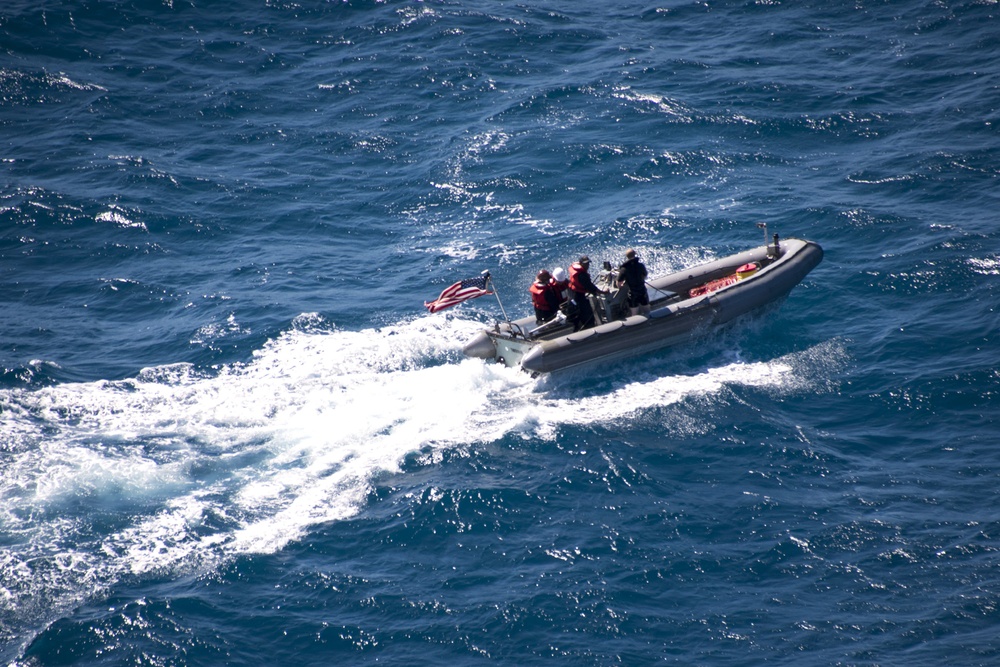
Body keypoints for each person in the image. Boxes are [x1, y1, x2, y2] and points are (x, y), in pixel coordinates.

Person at [568, 255, 608, 330]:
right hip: (578, 297)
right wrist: (603, 292)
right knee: (587, 315)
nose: (587, 265)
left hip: (572, 294)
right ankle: (589, 328)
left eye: (588, 263)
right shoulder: (582, 275)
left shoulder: (576, 271)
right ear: (581, 263)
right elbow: (591, 287)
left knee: (580, 313)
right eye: (585, 264)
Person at [617, 248, 650, 316]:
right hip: (642, 291)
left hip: (633, 293)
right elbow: (645, 275)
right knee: (647, 310)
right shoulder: (641, 265)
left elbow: (619, 283)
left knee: (634, 313)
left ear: (627, 256)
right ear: (635, 254)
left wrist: (622, 284)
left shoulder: (624, 269)